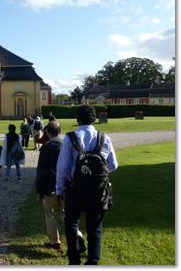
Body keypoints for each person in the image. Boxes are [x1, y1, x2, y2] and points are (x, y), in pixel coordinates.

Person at [56, 105, 118, 265]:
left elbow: (62, 167)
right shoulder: (105, 138)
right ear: (95, 118)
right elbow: (113, 165)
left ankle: (74, 259)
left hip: (74, 188)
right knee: (95, 227)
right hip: (98, 189)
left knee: (71, 223)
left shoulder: (70, 138)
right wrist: (96, 175)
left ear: (77, 119)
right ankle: (93, 261)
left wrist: (59, 190)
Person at [35, 120, 65, 251]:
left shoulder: (46, 147)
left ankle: (54, 241)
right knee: (66, 214)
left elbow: (41, 171)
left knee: (50, 214)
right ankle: (76, 236)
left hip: (49, 187)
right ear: (60, 131)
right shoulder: (67, 145)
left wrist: (39, 190)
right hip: (65, 186)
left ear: (47, 132)